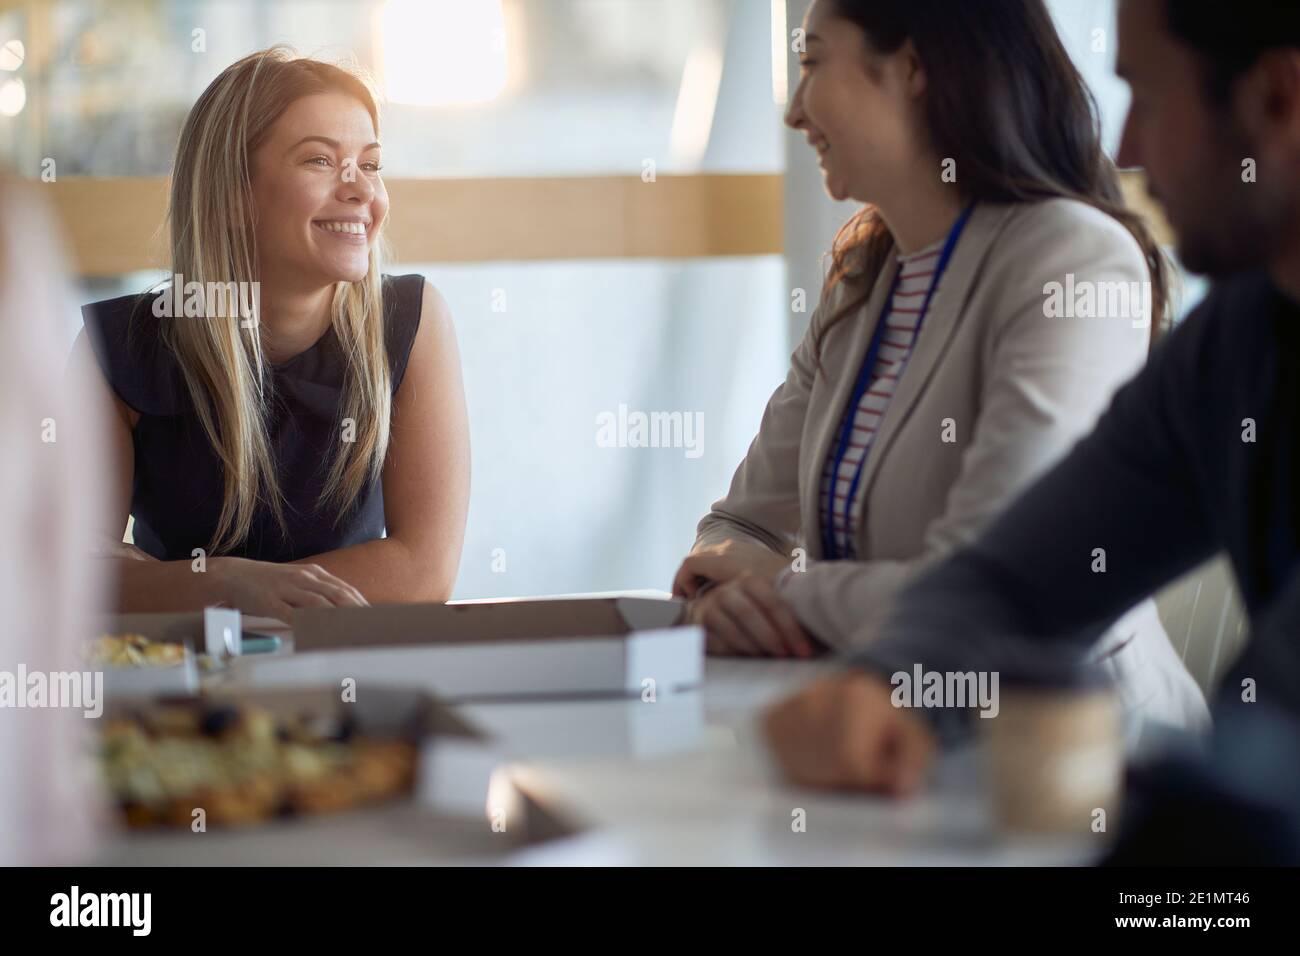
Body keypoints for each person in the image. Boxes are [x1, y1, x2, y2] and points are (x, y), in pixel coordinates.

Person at [765, 0, 1300, 796]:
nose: (1125, 147)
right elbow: (1020, 575)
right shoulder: (1240, 337)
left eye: (1147, 99)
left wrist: (784, 598)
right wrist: (878, 681)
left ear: (1275, 101)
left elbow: (1270, 751)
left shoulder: (1073, 261)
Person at [671, 0, 1204, 729]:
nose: (794, 111)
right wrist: (723, 594)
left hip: (1070, 757)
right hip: (891, 724)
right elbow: (739, 527)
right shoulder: (868, 275)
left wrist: (784, 589)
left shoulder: (1072, 259)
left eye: (813, 62)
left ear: (914, 67)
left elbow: (991, 584)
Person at [69, 48, 470, 623]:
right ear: (234, 194)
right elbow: (75, 570)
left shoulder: (413, 320)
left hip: (350, 677)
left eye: (371, 164)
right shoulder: (117, 347)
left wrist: (215, 591)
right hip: (183, 688)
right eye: (319, 161)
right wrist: (228, 583)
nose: (360, 191)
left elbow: (424, 568)